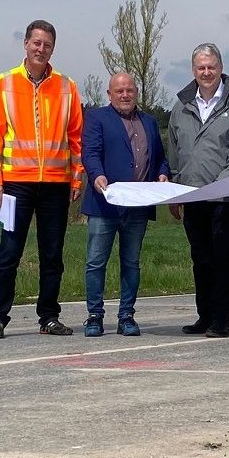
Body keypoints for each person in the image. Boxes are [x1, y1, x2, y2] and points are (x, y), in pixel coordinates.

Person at [0, 19, 84, 338]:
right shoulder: (4, 82)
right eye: (36, 43)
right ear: (25, 44)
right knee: (9, 251)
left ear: (53, 49)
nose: (41, 49)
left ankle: (49, 316)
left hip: (55, 184)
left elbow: (76, 137)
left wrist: (77, 178)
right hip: (15, 184)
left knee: (52, 254)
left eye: (47, 45)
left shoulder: (67, 86)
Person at [165, 42, 229, 337]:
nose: (206, 72)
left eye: (212, 67)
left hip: (227, 197)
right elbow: (175, 150)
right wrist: (176, 190)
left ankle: (223, 317)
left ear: (221, 68)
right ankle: (204, 315)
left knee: (225, 257)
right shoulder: (181, 106)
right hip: (193, 196)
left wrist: (222, 185)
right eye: (201, 68)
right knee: (201, 258)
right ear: (193, 70)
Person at [80, 72, 170, 337]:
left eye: (129, 90)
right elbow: (90, 152)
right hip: (104, 204)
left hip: (138, 207)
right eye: (119, 91)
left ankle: (127, 315)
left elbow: (160, 158)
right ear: (110, 95)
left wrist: (163, 173)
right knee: (96, 262)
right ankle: (95, 316)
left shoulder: (150, 122)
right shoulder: (97, 118)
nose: (125, 95)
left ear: (137, 92)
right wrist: (97, 175)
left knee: (131, 262)